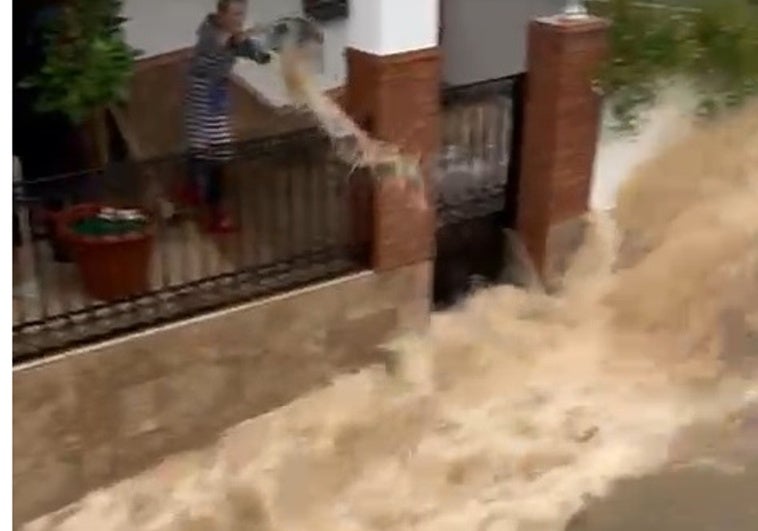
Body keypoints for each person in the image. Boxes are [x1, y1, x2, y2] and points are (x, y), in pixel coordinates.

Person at [182, 0, 273, 233]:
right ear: (220, 13)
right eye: (234, 14)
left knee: (216, 149)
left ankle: (205, 200)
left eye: (242, 14)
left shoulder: (234, 36)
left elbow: (256, 53)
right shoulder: (209, 32)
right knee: (204, 147)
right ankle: (205, 202)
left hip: (216, 93)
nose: (239, 19)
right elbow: (225, 43)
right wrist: (246, 35)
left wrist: (265, 52)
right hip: (200, 92)